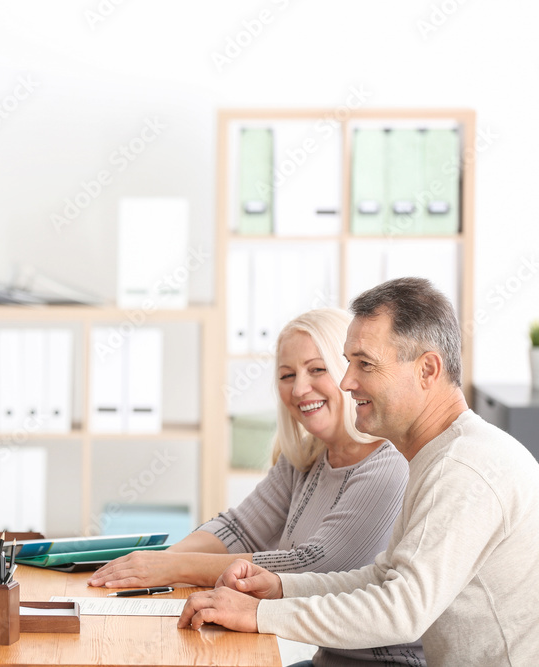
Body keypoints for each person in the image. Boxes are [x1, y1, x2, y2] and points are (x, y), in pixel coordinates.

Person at [179, 277, 539, 666]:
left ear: (427, 370)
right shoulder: (440, 456)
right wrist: (281, 588)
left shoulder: (463, 469)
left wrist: (259, 615)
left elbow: (400, 610)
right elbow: (384, 576)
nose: (347, 382)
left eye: (364, 364)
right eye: (348, 363)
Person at [89, 308, 423, 665]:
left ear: (349, 372)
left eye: (317, 369)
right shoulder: (306, 456)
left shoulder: (388, 465)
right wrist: (156, 563)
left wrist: (175, 568)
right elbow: (239, 529)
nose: (298, 388)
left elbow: (312, 565)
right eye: (286, 375)